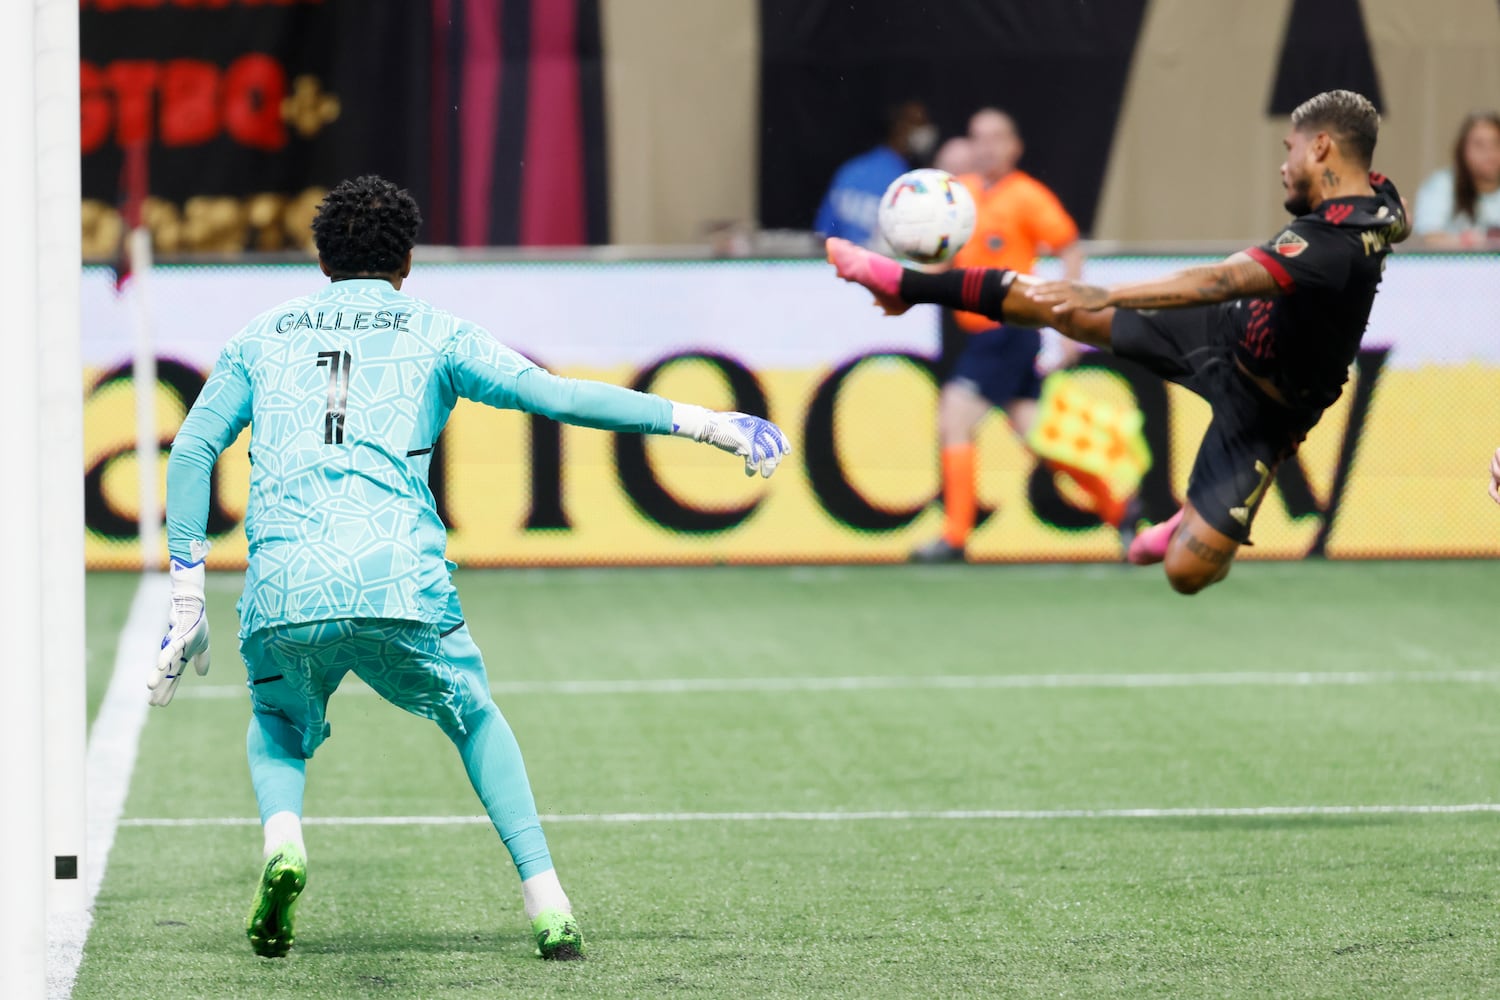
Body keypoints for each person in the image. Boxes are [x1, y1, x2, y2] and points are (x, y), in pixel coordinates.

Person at [149, 175, 792, 961]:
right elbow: (555, 397)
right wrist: (702, 421)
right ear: (408, 261)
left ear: (321, 258)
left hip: (288, 584)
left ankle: (284, 842)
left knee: (280, 726)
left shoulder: (260, 336)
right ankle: (547, 900)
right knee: (475, 716)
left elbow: (191, 449)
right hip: (398, 578)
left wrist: (187, 594)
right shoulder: (437, 331)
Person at [830, 90, 1405, 594]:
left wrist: (1113, 295)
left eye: (1290, 149)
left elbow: (1220, 279)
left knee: (1187, 573)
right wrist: (1095, 298)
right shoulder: (1382, 205)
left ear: (1323, 148)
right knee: (1064, 308)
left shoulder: (1336, 245)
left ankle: (1175, 522)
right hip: (1227, 334)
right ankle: (904, 283)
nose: (1284, 165)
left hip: (1267, 413)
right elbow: (1385, 220)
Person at [909, 108, 1103, 562]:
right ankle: (1121, 508)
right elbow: (938, 263)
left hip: (1009, 327)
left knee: (954, 420)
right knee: (1034, 432)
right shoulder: (962, 195)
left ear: (1015, 146)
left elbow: (1070, 248)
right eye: (978, 138)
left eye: (996, 137)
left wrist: (1070, 317)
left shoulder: (1028, 197)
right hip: (982, 334)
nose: (987, 146)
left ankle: (955, 537)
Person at [813, 99, 937, 246]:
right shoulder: (906, 183)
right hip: (880, 266)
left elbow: (822, 236)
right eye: (918, 123)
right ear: (900, 126)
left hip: (844, 263)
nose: (925, 130)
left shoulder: (852, 168)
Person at [1412, 110, 1500, 248]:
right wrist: (1474, 242)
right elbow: (1428, 238)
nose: (1489, 153)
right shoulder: (1441, 185)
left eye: (1496, 144)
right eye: (1479, 145)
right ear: (1462, 149)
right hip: (1455, 267)